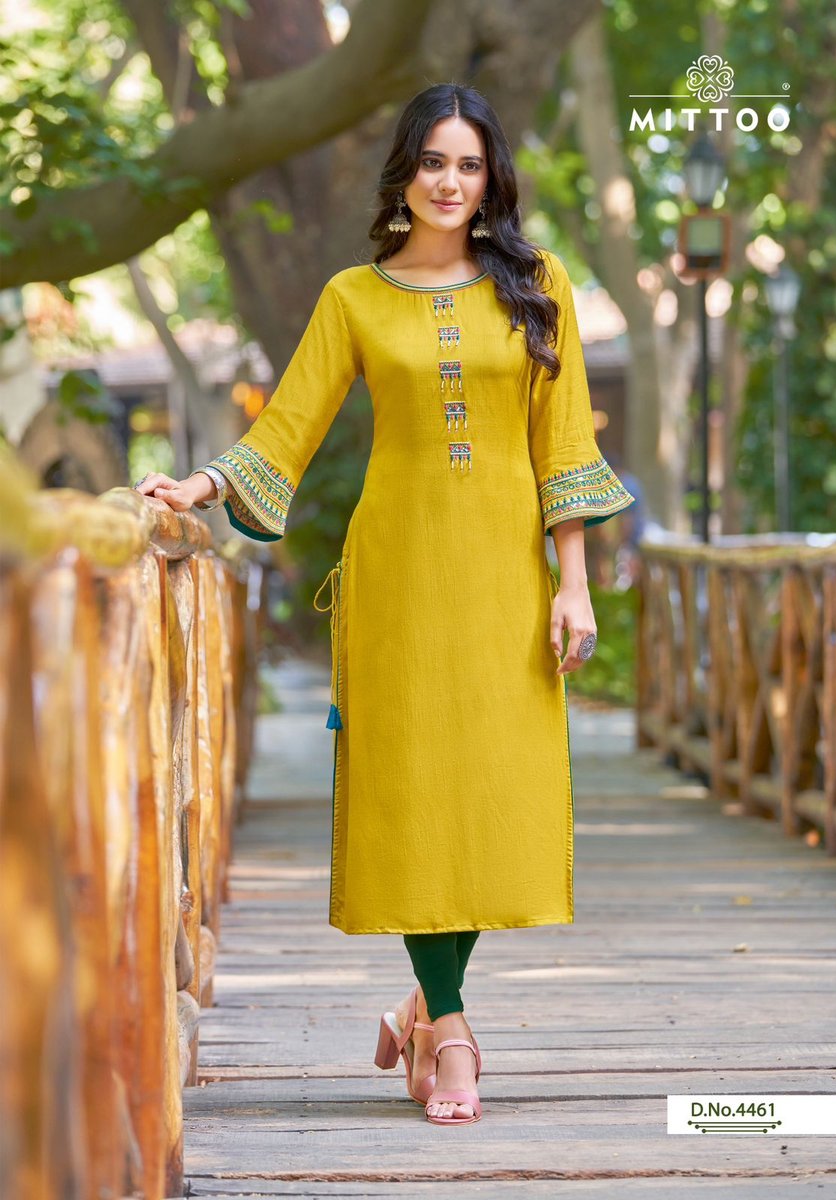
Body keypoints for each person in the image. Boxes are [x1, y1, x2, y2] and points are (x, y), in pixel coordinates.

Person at [135, 82, 635, 1127]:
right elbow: (289, 427)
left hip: (504, 577)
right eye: (433, 162)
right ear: (404, 172)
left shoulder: (536, 285)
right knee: (413, 795)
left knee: (484, 795)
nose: (450, 182)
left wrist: (574, 583)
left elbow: (560, 446)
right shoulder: (353, 298)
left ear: (490, 178)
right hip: (398, 579)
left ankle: (421, 1008)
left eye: (469, 164)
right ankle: (450, 1033)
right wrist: (201, 487)